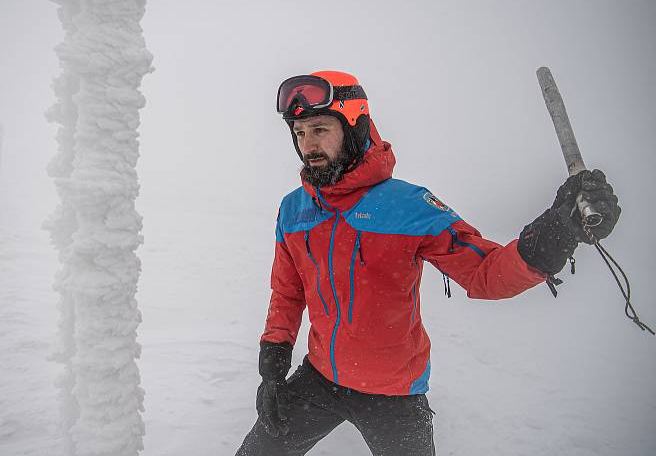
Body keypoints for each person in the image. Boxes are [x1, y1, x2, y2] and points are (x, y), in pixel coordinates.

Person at [235, 70, 621, 456]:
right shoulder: (294, 209)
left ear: (355, 127)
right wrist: (273, 362)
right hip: (320, 378)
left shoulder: (409, 207)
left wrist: (557, 232)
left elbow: (485, 275)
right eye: (299, 133)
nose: (308, 146)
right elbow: (287, 292)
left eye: (319, 129)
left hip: (395, 395)